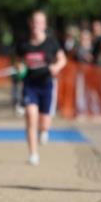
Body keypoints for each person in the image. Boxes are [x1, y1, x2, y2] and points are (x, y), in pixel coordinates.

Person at [16, 9, 67, 165]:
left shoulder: (51, 42)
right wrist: (19, 68)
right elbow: (19, 62)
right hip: (30, 85)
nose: (36, 25)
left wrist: (56, 67)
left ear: (44, 25)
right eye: (34, 22)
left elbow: (62, 59)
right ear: (30, 24)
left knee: (44, 123)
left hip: (47, 84)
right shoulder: (23, 44)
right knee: (31, 116)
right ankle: (33, 154)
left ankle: (44, 131)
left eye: (40, 22)